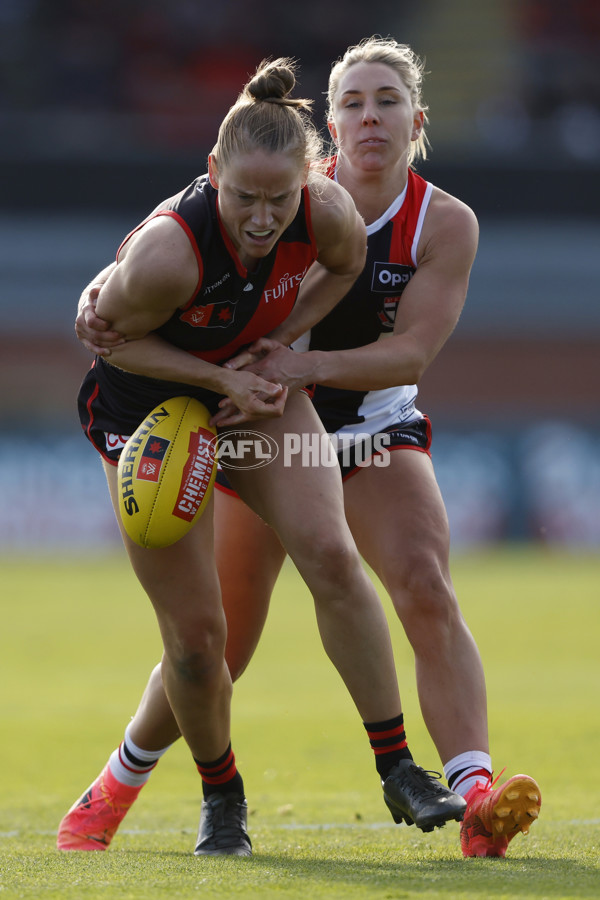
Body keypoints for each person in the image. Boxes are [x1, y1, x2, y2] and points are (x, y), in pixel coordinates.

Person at [66, 39, 542, 859]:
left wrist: (285, 351)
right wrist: (217, 364)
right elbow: (114, 324)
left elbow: (404, 342)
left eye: (387, 100)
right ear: (327, 125)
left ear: (416, 120)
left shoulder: (407, 219)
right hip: (214, 408)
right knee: (211, 643)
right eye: (353, 100)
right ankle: (135, 783)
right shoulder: (212, 226)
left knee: (394, 572)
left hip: (335, 412)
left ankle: (448, 786)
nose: (370, 116)